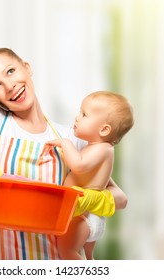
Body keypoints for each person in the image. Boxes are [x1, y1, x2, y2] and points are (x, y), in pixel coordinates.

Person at [0, 48, 128, 260]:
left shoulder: (70, 137)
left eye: (10, 71)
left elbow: (121, 198)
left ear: (27, 67)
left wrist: (89, 200)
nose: (9, 86)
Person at [40, 91, 134, 260]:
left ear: (104, 129)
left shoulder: (101, 149)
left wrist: (65, 144)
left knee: (67, 252)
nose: (77, 118)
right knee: (87, 256)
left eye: (84, 115)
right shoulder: (98, 148)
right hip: (90, 215)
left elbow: (78, 165)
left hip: (83, 216)